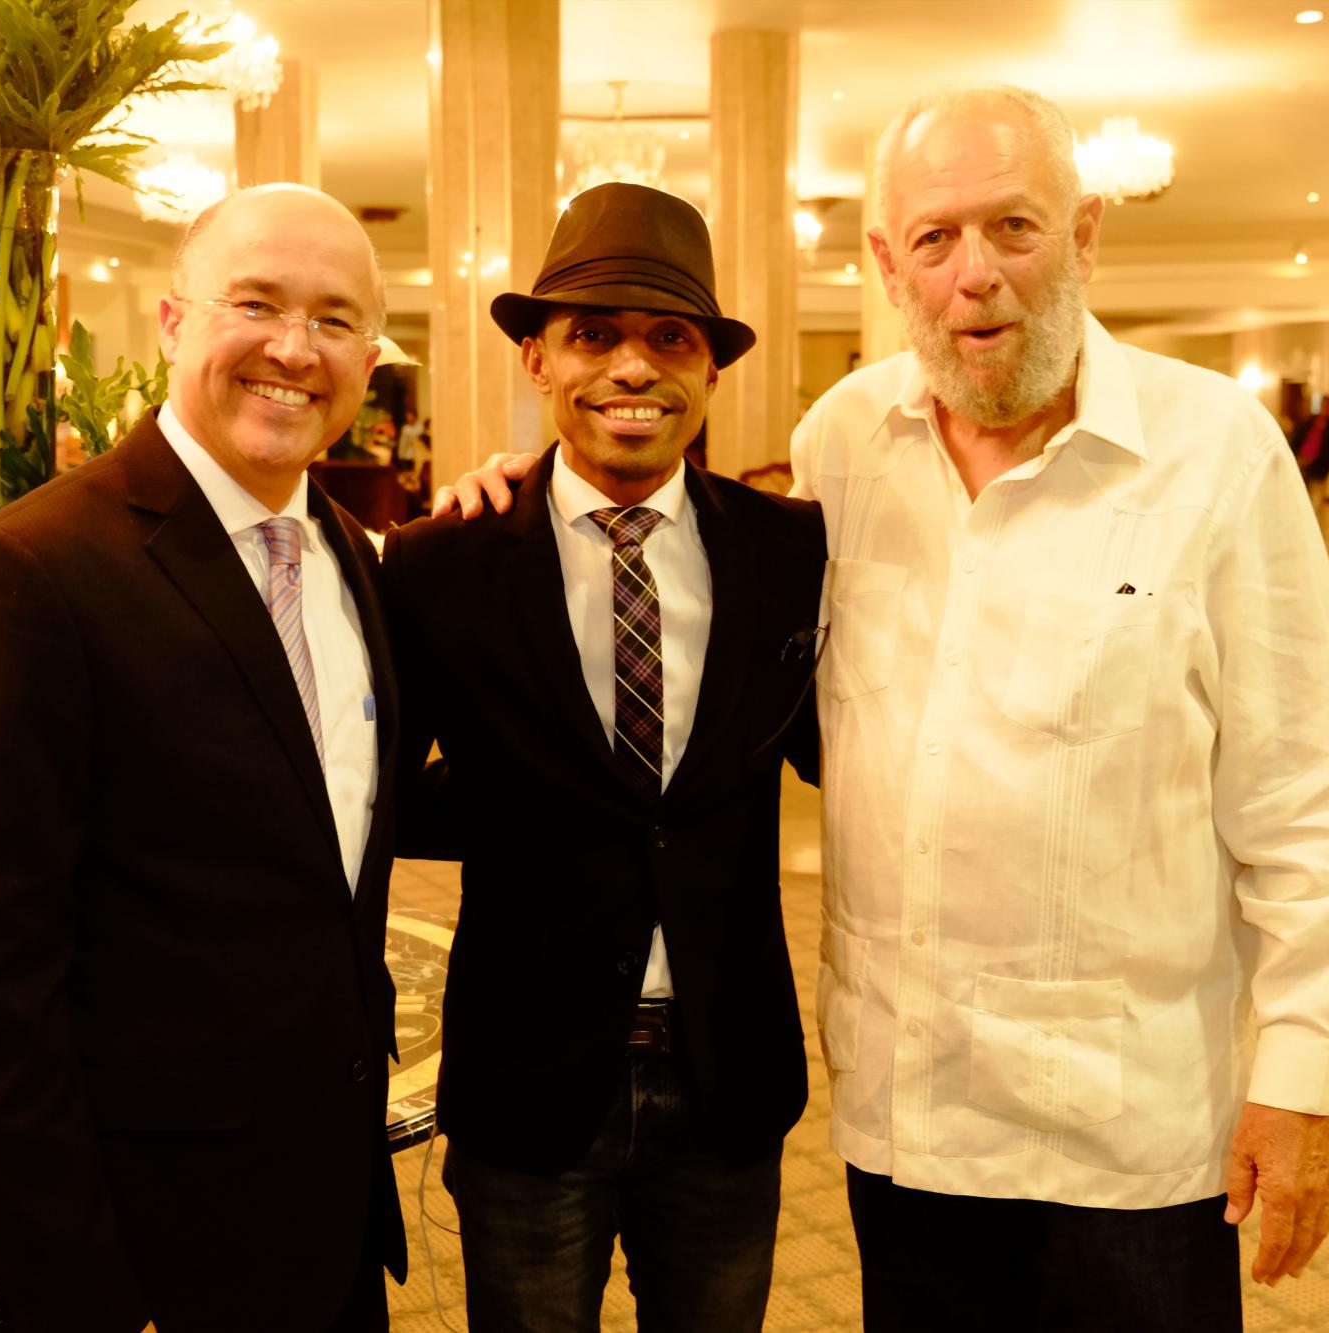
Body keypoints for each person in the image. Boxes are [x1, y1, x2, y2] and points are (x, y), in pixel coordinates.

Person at [437, 84, 1329, 1331]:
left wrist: (1298, 1079)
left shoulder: (1214, 451)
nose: (972, 275)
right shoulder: (844, 443)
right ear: (887, 265)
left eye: (1012, 227)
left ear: (1082, 234)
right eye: (934, 238)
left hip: (1131, 1128)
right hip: (914, 1121)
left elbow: (1300, 797)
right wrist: (523, 493)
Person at [0, 184, 406, 1332]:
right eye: (255, 303)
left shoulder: (351, 557)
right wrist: (73, 1288)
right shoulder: (25, 572)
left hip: (322, 1216)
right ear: (174, 322)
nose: (294, 348)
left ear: (369, 361)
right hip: (133, 1249)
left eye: (334, 320)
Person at [387, 183, 824, 1333]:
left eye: (668, 338)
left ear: (708, 369)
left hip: (726, 1069)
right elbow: (377, 795)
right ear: (537, 359)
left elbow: (844, 747)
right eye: (592, 335)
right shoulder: (443, 562)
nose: (632, 367)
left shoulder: (790, 552)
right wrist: (521, 805)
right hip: (528, 1075)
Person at [1289, 393, 1329, 509]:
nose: (1325, 409)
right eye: (1324, 406)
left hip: (1319, 469)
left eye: (1328, 406)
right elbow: (1297, 440)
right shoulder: (1308, 423)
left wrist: (1316, 459)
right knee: (1300, 498)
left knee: (1316, 502)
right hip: (1302, 463)